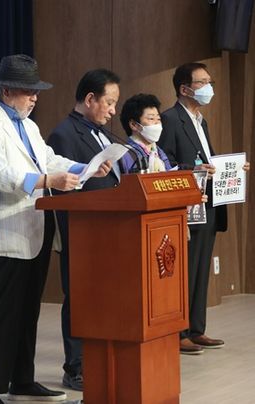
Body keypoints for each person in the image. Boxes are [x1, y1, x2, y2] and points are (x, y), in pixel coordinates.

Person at [0, 54, 112, 403]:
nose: (34, 98)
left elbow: (48, 159)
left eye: (36, 92)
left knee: (27, 312)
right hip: (4, 231)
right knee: (0, 316)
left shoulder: (28, 125)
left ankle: (21, 378)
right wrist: (48, 180)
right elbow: (0, 176)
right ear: (5, 90)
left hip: (35, 228)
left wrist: (86, 167)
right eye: (27, 91)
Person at [157, 63, 250, 355]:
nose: (209, 87)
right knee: (184, 269)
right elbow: (166, 162)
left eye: (209, 81)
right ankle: (178, 331)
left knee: (200, 269)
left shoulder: (201, 120)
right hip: (186, 204)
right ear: (185, 89)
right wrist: (196, 169)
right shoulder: (170, 119)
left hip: (207, 202)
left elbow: (205, 159)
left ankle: (196, 328)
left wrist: (230, 167)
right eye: (202, 82)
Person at [46, 68, 122, 391]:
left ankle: (100, 357)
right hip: (81, 233)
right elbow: (63, 189)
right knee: (77, 299)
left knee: (101, 298)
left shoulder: (101, 133)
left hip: (108, 230)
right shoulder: (64, 134)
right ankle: (75, 366)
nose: (113, 110)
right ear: (90, 99)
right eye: (109, 102)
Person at [119, 94, 174, 173]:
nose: (157, 123)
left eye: (158, 119)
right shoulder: (126, 154)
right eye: (151, 118)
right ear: (134, 125)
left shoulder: (159, 152)